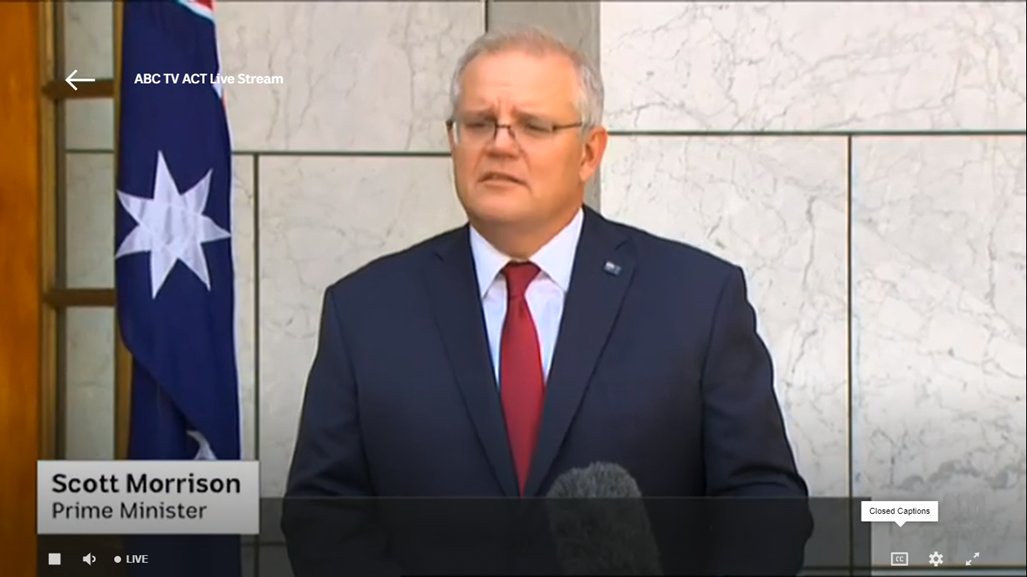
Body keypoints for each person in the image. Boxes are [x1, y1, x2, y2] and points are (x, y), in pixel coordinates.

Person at [282, 26, 811, 576]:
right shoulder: (366, 311)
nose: (500, 144)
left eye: (533, 126)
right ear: (453, 140)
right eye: (480, 123)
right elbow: (323, 512)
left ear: (589, 152)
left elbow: (762, 500)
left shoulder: (696, 299)